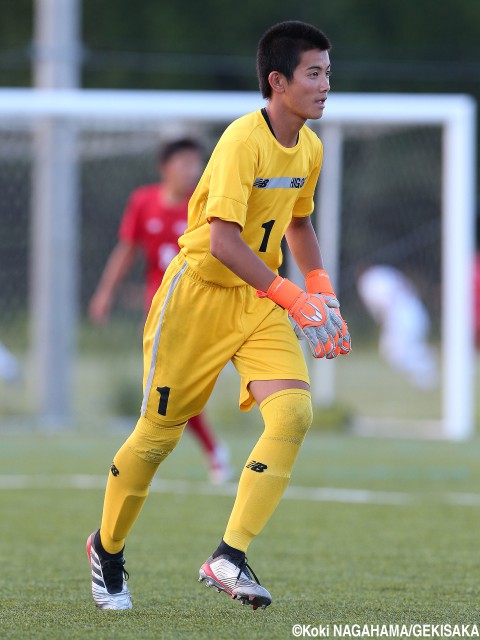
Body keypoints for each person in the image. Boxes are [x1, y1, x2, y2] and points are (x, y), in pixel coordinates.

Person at [86, 20, 351, 612]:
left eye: (328, 72)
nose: (325, 84)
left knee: (293, 414)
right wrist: (292, 296)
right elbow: (225, 241)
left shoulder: (309, 145)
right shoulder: (240, 141)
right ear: (277, 82)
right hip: (197, 297)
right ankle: (106, 550)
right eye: (314, 73)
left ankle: (229, 555)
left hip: (256, 301)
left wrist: (321, 288)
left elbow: (299, 222)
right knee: (156, 439)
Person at [88, 137, 232, 484]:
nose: (192, 170)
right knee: (168, 387)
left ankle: (202, 451)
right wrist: (105, 293)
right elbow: (127, 249)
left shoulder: (205, 203)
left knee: (176, 387)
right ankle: (207, 452)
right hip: (160, 308)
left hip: (201, 306)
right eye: (184, 163)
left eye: (196, 163)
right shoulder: (143, 201)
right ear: (164, 168)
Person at [357, 264, 438, 389]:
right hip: (414, 309)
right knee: (400, 352)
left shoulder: (368, 281)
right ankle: (424, 372)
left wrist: (385, 321)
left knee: (395, 353)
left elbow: (384, 304)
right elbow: (408, 286)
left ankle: (425, 369)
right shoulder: (385, 272)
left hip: (399, 316)